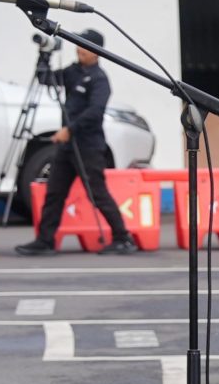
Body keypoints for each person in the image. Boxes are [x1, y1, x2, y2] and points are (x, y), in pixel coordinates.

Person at [12, 29, 135, 257]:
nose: (80, 49)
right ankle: (45, 240)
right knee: (54, 192)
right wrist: (44, 54)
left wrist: (70, 129)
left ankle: (122, 237)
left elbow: (95, 112)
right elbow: (46, 79)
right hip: (67, 147)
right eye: (78, 44)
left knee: (97, 193)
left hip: (88, 145)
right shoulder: (73, 71)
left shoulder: (99, 79)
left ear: (97, 51)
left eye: (85, 46)